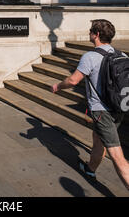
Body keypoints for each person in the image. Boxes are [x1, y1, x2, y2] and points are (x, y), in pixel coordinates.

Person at [51, 19, 129, 191]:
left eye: (90, 31)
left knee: (117, 156)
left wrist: (57, 86)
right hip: (119, 107)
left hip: (102, 111)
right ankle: (90, 169)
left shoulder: (90, 56)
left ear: (97, 35)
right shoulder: (122, 55)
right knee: (98, 140)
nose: (89, 34)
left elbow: (73, 80)